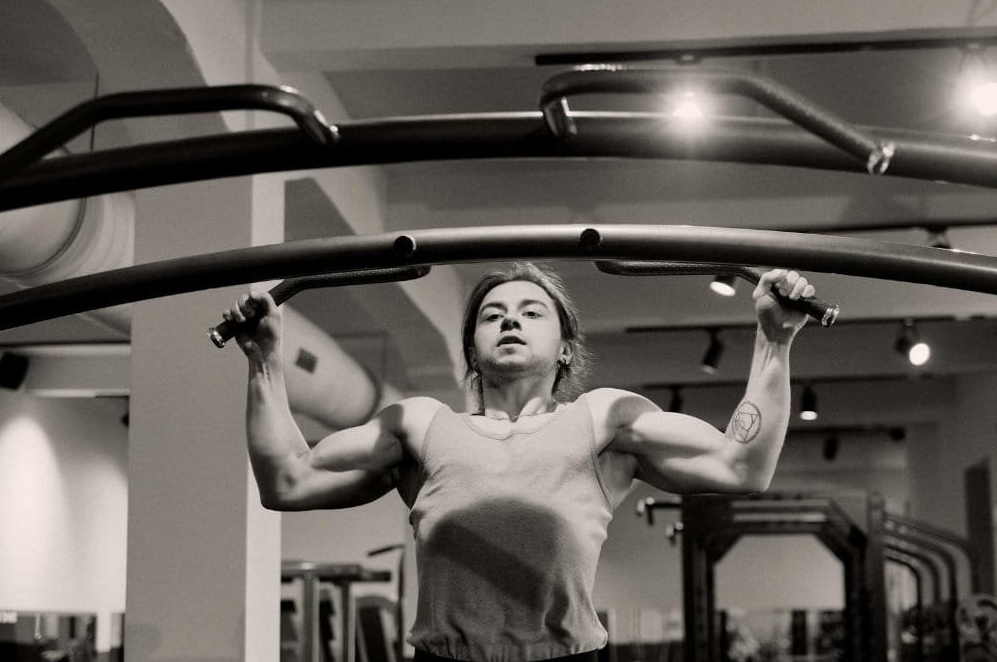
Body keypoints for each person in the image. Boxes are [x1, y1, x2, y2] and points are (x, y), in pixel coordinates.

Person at [222, 262, 816, 662]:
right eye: (492, 314)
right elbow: (287, 481)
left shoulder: (604, 420)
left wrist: (775, 340)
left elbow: (743, 466)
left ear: (565, 349)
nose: (509, 319)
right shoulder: (421, 425)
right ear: (472, 351)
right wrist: (264, 360)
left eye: (532, 312)